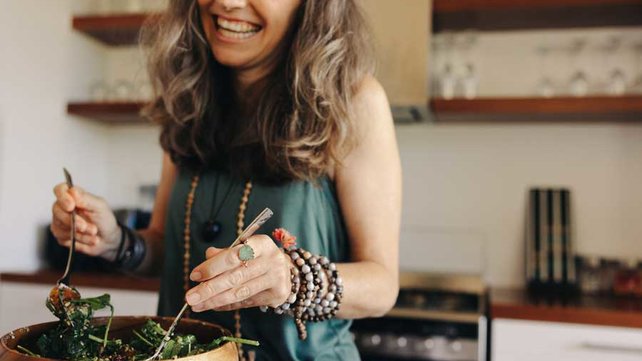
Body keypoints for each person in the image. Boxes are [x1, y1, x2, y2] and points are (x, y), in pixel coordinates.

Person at [50, 0, 401, 359]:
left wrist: (291, 279)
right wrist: (117, 242)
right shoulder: (188, 97)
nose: (228, 2)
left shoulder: (354, 100)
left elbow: (382, 286)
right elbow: (166, 249)